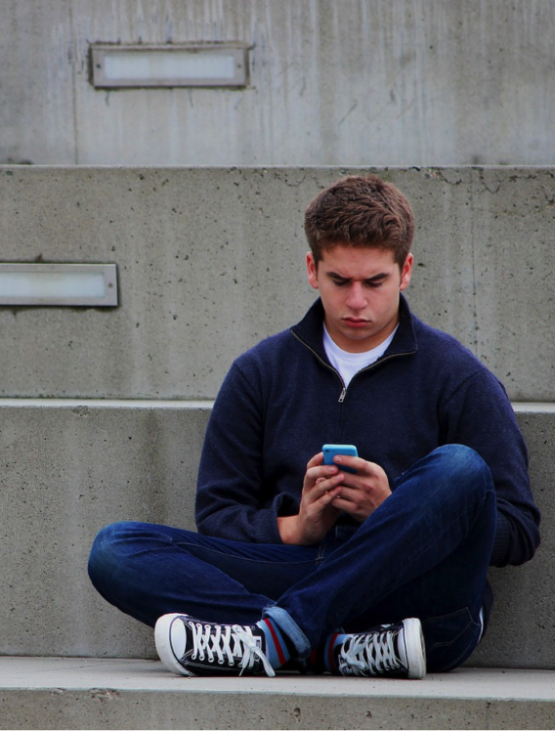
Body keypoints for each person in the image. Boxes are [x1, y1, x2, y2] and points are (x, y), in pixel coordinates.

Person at [87, 174, 541, 679]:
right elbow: (218, 514)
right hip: (308, 577)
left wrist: (393, 513)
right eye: (339, 281)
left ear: (406, 270)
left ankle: (277, 637)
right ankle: (324, 647)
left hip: (415, 597)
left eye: (375, 282)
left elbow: (518, 531)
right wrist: (298, 526)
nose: (356, 302)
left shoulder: (458, 376)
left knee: (460, 468)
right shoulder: (260, 372)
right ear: (312, 269)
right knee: (115, 550)